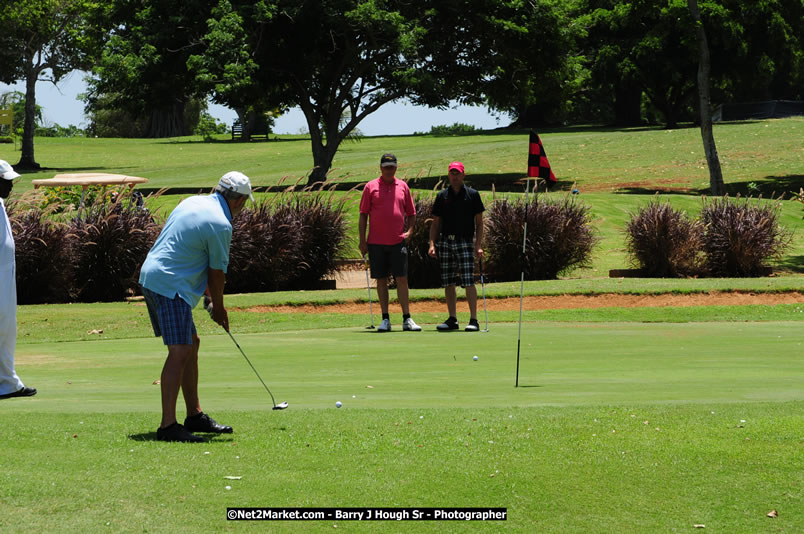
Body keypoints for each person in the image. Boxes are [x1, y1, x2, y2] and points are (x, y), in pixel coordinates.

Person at [139, 171, 254, 442]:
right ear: (238, 202)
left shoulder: (192, 201)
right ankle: (168, 426)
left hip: (154, 277)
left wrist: (211, 299)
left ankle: (194, 415)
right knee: (180, 350)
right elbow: (216, 273)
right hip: (169, 284)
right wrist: (220, 307)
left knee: (192, 342)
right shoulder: (221, 224)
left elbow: (189, 251)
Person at [358, 153, 422, 332]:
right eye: (386, 166)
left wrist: (409, 231)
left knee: (402, 279)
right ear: (380, 167)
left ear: (396, 167)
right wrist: (362, 240)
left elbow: (411, 213)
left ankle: (406, 318)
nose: (389, 169)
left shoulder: (403, 186)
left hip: (397, 241)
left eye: (391, 166)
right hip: (376, 242)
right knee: (381, 280)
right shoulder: (371, 187)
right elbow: (363, 215)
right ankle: (385, 319)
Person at [428, 161, 485, 332]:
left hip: (465, 241)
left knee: (468, 280)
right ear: (449, 175)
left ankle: (473, 319)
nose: (455, 176)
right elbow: (435, 223)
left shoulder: (472, 195)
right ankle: (452, 319)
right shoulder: (442, 196)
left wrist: (478, 245)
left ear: (463, 175)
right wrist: (432, 243)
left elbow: (480, 223)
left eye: (457, 173)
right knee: (448, 282)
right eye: (452, 173)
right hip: (446, 242)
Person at [0, 160, 36, 400]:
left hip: (5, 272)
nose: (11, 186)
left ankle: (8, 382)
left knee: (6, 329)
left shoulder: (0, 202)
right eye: (6, 181)